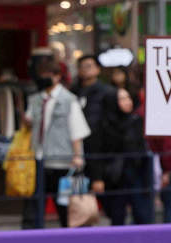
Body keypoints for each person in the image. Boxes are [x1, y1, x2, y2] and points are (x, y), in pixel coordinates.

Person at [21, 57, 89, 229]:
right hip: (39, 160)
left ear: (57, 76)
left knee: (67, 209)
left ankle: (70, 238)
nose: (44, 78)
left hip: (64, 163)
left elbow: (76, 131)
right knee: (35, 207)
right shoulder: (35, 99)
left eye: (48, 74)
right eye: (41, 74)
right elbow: (28, 121)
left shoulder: (69, 99)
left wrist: (78, 157)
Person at [87, 89, 155, 225]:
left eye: (128, 97)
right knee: (116, 215)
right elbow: (95, 152)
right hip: (113, 178)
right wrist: (97, 178)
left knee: (142, 214)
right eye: (122, 99)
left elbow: (142, 148)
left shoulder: (136, 121)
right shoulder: (102, 125)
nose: (127, 102)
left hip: (136, 174)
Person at [72, 54, 114, 135]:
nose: (84, 69)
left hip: (100, 136)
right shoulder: (73, 91)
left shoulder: (107, 91)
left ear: (98, 69)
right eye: (81, 67)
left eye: (88, 66)